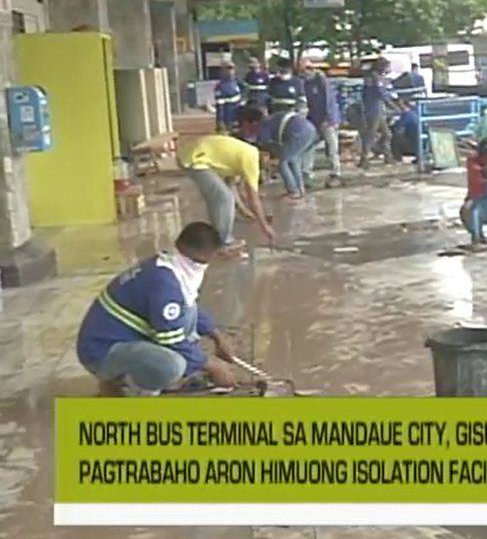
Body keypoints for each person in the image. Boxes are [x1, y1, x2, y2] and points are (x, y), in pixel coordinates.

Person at [76, 222, 238, 396]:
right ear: (204, 254)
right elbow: (171, 340)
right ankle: (129, 389)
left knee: (187, 315)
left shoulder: (169, 265)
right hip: (101, 352)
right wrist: (213, 366)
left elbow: (187, 307)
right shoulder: (166, 284)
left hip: (117, 338)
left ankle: (138, 374)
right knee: (172, 365)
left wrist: (217, 336)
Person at [178, 134, 276, 251]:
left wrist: (246, 213)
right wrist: (265, 226)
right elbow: (253, 199)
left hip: (189, 155)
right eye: (272, 163)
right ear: (266, 155)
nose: (269, 168)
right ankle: (224, 243)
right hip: (195, 159)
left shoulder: (243, 155)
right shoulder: (252, 158)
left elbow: (232, 188)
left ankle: (216, 240)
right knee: (224, 198)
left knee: (220, 199)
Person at [239, 104, 317, 200]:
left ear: (253, 123)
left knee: (282, 162)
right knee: (293, 159)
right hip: (310, 130)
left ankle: (293, 191)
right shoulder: (272, 119)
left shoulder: (263, 126)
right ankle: (300, 189)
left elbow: (265, 145)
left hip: (297, 134)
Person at [302, 60, 343, 187]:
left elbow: (328, 101)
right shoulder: (305, 83)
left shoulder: (321, 81)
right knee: (309, 146)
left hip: (327, 120)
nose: (304, 73)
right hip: (314, 119)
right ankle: (306, 173)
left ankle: (335, 173)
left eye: (306, 69)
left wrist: (327, 119)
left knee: (331, 147)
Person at [359, 57, 399, 167]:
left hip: (377, 109)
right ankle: (364, 158)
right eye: (387, 67)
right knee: (371, 134)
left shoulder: (372, 77)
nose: (388, 69)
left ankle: (387, 156)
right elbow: (381, 94)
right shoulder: (375, 78)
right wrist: (393, 106)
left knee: (387, 134)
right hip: (374, 109)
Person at [213, 60, 244, 133]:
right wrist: (220, 121)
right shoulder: (220, 86)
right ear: (223, 70)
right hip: (227, 119)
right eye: (228, 68)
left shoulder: (237, 83)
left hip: (238, 117)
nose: (231, 71)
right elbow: (220, 106)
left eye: (232, 68)